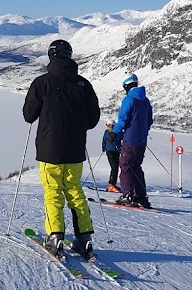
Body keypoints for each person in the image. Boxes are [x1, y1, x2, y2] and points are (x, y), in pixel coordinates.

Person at [22, 39, 101, 257]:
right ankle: (84, 237)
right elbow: (93, 119)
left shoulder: (41, 83)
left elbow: (29, 116)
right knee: (75, 189)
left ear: (50, 56)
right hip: (75, 149)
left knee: (53, 191)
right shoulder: (83, 84)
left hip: (49, 150)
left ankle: (55, 235)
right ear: (69, 55)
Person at [112, 72, 154, 208]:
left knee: (125, 166)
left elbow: (123, 119)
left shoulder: (129, 100)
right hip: (141, 141)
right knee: (136, 167)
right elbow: (149, 120)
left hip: (130, 139)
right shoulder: (145, 100)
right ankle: (141, 196)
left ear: (125, 85)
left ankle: (128, 195)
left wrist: (115, 133)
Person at [101, 119, 121, 193]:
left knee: (115, 168)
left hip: (116, 151)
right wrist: (103, 147)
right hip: (109, 151)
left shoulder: (116, 133)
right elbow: (104, 140)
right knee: (114, 168)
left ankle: (112, 184)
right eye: (108, 125)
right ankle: (111, 184)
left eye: (110, 125)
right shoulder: (106, 132)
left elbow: (120, 139)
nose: (109, 127)